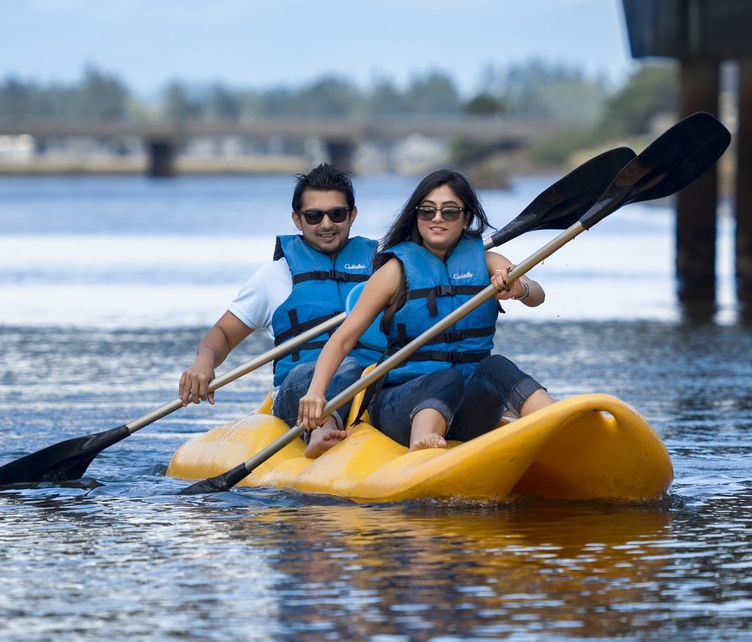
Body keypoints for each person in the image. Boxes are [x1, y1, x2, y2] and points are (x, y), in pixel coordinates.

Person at [297, 169, 555, 450]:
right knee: (446, 377)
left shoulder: (489, 261)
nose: (437, 219)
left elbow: (536, 295)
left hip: (469, 406)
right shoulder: (394, 272)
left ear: (466, 217)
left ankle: (559, 422)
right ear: (416, 216)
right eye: (427, 211)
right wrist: (316, 392)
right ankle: (423, 444)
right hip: (403, 404)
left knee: (496, 366)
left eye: (450, 212)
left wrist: (520, 288)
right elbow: (343, 339)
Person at [177, 163, 380, 458]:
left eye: (337, 214)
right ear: (297, 220)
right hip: (298, 393)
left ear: (352, 215)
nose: (326, 224)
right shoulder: (272, 277)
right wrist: (204, 362)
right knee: (346, 366)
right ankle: (321, 428)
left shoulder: (382, 270)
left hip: (370, 383)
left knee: (368, 370)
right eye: (314, 216)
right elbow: (221, 333)